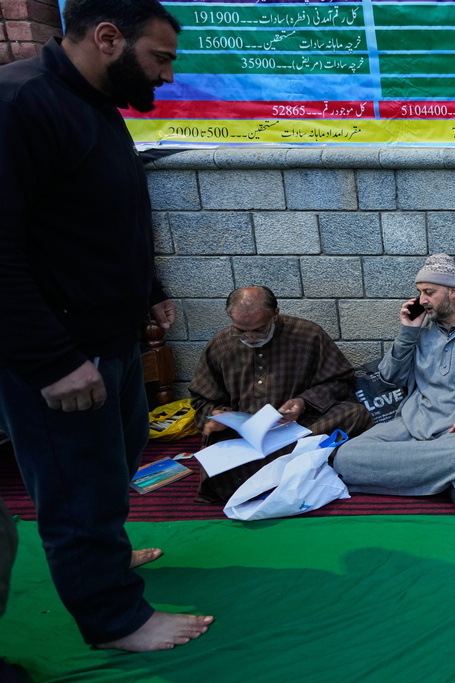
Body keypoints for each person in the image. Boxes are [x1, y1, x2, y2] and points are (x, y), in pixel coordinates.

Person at [0, 0, 212, 652]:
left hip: (114, 339)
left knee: (115, 464)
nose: (168, 76)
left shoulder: (95, 107)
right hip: (61, 351)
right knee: (78, 488)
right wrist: (52, 360)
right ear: (108, 37)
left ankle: (108, 561)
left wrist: (148, 291)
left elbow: (108, 218)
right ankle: (116, 620)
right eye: (161, 58)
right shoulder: (20, 105)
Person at [332, 254, 455, 508]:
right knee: (345, 456)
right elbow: (389, 378)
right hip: (413, 423)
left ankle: (426, 473)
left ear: (452, 291)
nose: (422, 300)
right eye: (420, 292)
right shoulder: (419, 331)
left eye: (429, 292)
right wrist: (407, 331)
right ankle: (450, 479)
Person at [190, 286, 374, 503]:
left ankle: (258, 480)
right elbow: (201, 400)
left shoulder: (307, 335)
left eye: (259, 330)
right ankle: (292, 472)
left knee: (355, 414)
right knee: (216, 463)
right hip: (244, 438)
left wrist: (303, 402)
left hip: (300, 427)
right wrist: (219, 417)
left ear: (275, 314)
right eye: (240, 330)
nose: (249, 338)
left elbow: (341, 381)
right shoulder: (220, 344)